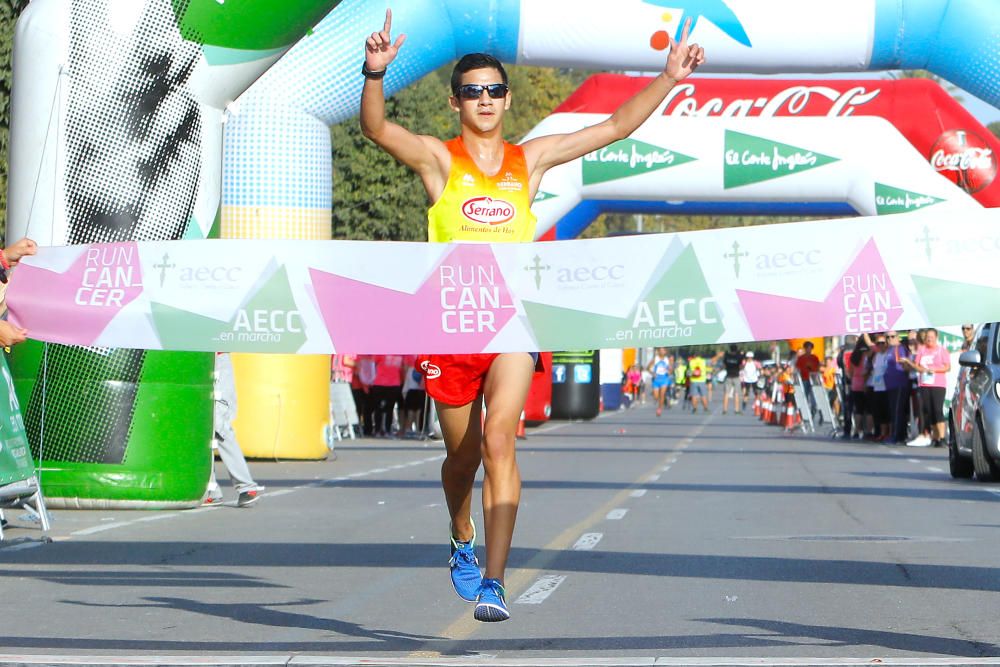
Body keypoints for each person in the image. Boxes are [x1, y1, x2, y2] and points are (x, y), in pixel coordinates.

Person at [360, 8, 704, 622]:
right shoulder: (439, 161)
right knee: (461, 461)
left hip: (511, 325)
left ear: (508, 98)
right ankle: (461, 533)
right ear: (455, 102)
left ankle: (494, 580)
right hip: (448, 328)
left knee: (500, 443)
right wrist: (375, 73)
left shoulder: (532, 159)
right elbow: (377, 128)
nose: (485, 99)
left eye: (494, 90)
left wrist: (669, 78)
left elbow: (614, 126)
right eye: (473, 92)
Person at [204, 352, 263, 507]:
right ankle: (211, 491)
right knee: (200, 425)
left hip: (217, 357)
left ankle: (246, 487)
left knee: (218, 424)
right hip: (193, 357)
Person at [901, 328, 951, 447]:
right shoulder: (922, 350)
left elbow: (947, 367)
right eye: (928, 337)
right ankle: (935, 437)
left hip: (938, 384)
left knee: (937, 410)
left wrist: (933, 370)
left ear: (936, 337)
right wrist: (915, 366)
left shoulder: (941, 350)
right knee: (928, 411)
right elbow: (917, 366)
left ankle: (942, 437)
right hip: (924, 383)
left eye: (932, 337)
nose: (929, 339)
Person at [647, 347, 671, 416]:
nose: (662, 352)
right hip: (656, 379)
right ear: (658, 351)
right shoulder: (655, 359)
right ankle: (661, 401)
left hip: (664, 379)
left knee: (662, 394)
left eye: (663, 350)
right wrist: (652, 373)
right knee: (656, 397)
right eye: (660, 350)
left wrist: (669, 371)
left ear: (665, 351)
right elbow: (648, 368)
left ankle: (659, 409)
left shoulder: (667, 359)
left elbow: (670, 369)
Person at [721, 344, 743, 415]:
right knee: (736, 393)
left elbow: (724, 365)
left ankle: (724, 410)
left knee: (726, 393)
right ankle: (736, 410)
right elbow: (741, 365)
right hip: (736, 376)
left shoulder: (727, 356)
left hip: (728, 376)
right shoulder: (738, 356)